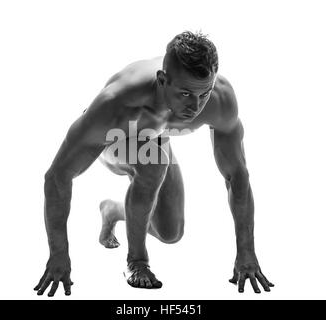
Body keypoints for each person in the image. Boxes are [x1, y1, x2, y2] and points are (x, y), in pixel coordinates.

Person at [34, 31, 274, 297]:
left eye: (203, 93)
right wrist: (59, 254)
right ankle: (136, 262)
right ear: (162, 80)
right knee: (154, 162)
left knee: (170, 232)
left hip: (155, 138)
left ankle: (113, 211)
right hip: (116, 136)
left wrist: (246, 251)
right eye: (184, 93)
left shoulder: (220, 100)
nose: (195, 106)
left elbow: (237, 176)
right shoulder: (117, 103)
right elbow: (56, 176)